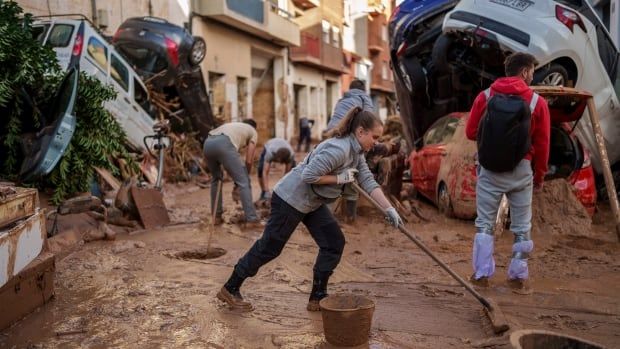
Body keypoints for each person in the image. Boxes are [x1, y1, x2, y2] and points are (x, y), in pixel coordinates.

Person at [216, 108, 403, 312]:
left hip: (311, 202)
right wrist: (339, 179)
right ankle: (231, 287)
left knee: (333, 242)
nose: (376, 142)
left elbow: (367, 180)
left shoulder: (356, 152)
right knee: (270, 247)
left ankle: (318, 296)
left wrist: (388, 208)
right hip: (290, 199)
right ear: (360, 132)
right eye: (374, 137)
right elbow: (308, 175)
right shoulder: (339, 149)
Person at [465, 52, 550, 291]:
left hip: (490, 169)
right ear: (524, 72)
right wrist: (540, 175)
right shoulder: (537, 102)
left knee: (484, 224)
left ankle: (481, 274)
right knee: (522, 227)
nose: (533, 75)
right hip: (522, 170)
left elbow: (471, 132)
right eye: (532, 71)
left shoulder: (485, 96)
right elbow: (543, 145)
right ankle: (518, 277)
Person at [324, 79, 375, 224]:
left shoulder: (342, 100)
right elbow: (369, 122)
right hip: (347, 139)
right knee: (353, 176)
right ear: (363, 90)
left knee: (331, 176)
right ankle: (350, 219)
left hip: (330, 136)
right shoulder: (365, 98)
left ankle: (323, 219)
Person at [203, 119, 262, 228]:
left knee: (216, 179)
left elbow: (230, 161)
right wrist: (244, 176)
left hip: (207, 144)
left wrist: (236, 179)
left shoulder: (234, 127)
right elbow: (249, 160)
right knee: (244, 181)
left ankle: (216, 217)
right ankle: (252, 219)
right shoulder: (253, 131)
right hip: (224, 143)